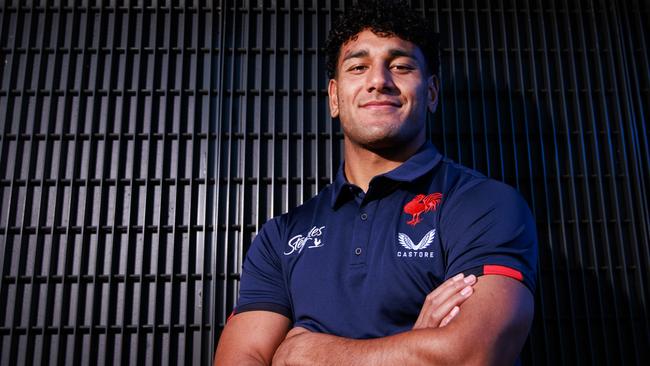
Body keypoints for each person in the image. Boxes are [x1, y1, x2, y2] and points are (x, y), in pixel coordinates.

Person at [214, 1, 537, 364]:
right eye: (358, 67)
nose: (379, 81)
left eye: (400, 66)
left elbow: (473, 355)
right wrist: (417, 345)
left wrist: (306, 353)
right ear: (334, 98)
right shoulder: (280, 236)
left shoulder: (484, 204)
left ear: (431, 93)